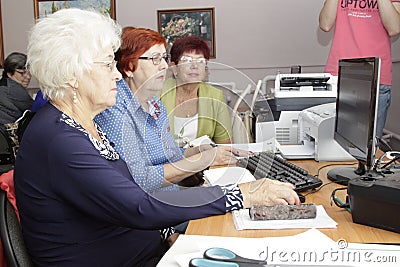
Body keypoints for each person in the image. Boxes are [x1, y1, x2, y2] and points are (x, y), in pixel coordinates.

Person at [14, 9, 300, 266]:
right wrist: (242, 195)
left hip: (143, 247)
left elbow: (124, 197)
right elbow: (138, 205)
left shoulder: (80, 124)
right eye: (106, 65)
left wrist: (164, 233)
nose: (117, 75)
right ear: (72, 75)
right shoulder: (59, 139)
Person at [96, 27, 248, 193]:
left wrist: (198, 150)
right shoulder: (114, 106)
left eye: (164, 58)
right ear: (128, 67)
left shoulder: (155, 104)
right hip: (147, 206)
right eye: (155, 59)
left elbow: (170, 156)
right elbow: (140, 179)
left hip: (171, 194)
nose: (164, 66)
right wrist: (203, 159)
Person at [319, 0, 400, 138]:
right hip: (338, 76)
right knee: (330, 143)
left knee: (368, 149)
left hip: (376, 79)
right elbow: (325, 24)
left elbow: (394, 28)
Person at [160, 36, 232, 146]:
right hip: (164, 162)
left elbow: (225, 145)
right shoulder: (157, 93)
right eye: (187, 60)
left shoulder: (215, 96)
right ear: (174, 67)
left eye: (200, 61)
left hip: (202, 161)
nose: (194, 66)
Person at [0, 52, 33, 134]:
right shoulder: (13, 88)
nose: (28, 77)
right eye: (22, 73)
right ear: (9, 74)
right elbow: (34, 109)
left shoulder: (4, 84)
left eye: (29, 72)